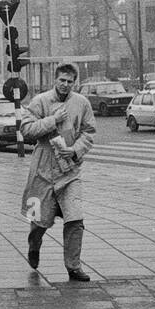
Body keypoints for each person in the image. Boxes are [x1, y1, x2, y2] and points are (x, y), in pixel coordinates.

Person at [21, 63, 95, 282]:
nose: (65, 85)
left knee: (75, 219)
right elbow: (26, 129)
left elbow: (89, 132)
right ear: (55, 80)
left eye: (70, 81)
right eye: (62, 80)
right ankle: (34, 246)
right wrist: (52, 120)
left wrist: (75, 150)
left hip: (69, 170)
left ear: (75, 82)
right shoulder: (40, 101)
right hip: (42, 170)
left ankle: (73, 267)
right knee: (38, 222)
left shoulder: (81, 103)